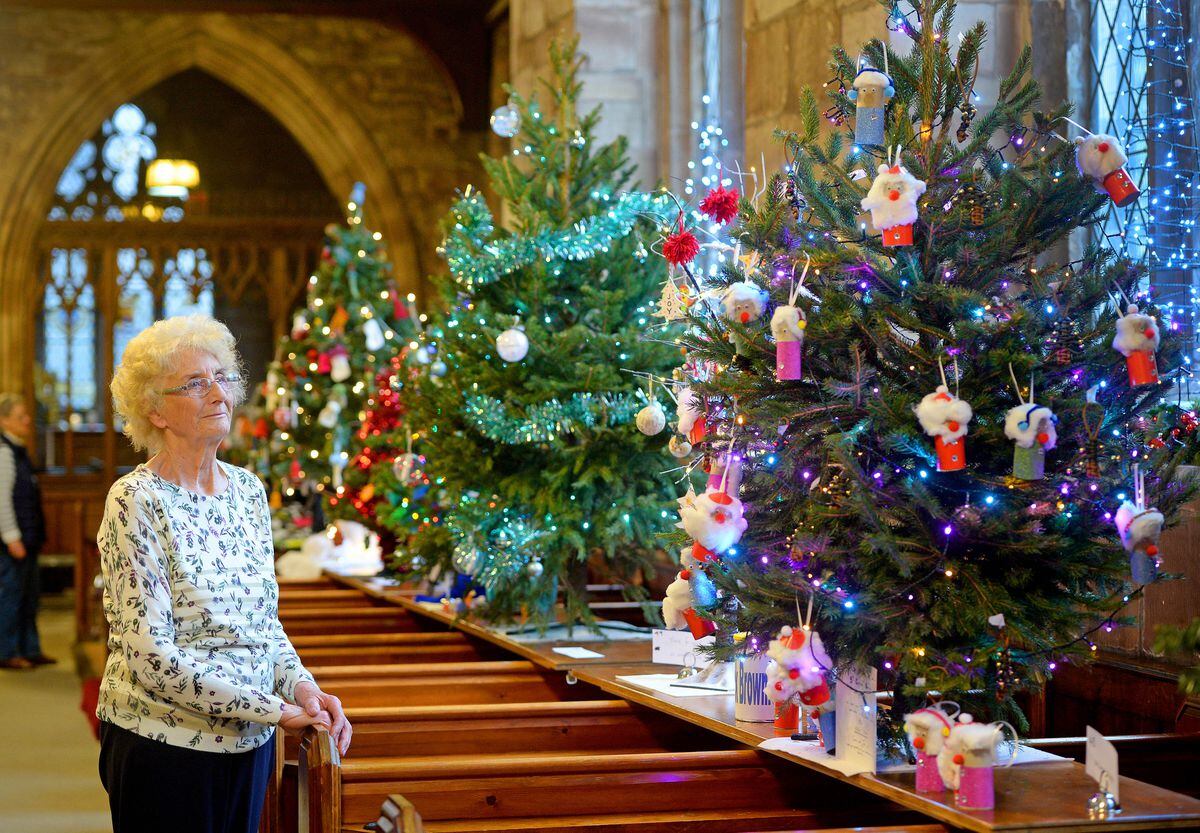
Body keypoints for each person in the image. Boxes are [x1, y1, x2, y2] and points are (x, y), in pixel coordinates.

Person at [97, 315, 352, 833]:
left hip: (247, 741)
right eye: (195, 383)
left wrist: (303, 689)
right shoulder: (136, 500)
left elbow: (264, 627)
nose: (218, 393)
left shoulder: (249, 491)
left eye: (223, 377)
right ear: (154, 410)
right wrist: (275, 709)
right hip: (163, 746)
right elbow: (151, 657)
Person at [0, 393, 52, 670]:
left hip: (27, 538)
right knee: (11, 597)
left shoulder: (18, 449)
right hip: (14, 541)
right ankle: (7, 652)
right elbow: (1, 500)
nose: (27, 420)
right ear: (4, 420)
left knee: (29, 596)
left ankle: (30, 649)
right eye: (21, 416)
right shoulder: (4, 451)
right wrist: (12, 538)